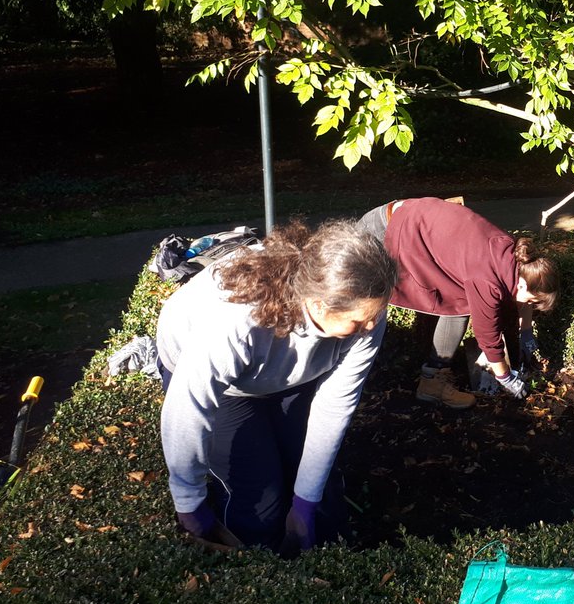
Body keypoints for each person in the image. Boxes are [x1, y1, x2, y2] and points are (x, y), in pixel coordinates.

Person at [157, 219, 397, 555]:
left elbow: (335, 406)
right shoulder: (236, 320)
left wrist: (305, 504)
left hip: (287, 374)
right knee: (259, 505)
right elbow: (188, 411)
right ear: (319, 303)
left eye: (375, 315)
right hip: (221, 385)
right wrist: (189, 503)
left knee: (323, 506)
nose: (370, 327)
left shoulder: (366, 314)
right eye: (359, 321)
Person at [358, 197, 560, 409]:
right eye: (531, 300)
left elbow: (521, 299)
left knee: (459, 301)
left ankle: (431, 378)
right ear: (521, 286)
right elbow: (488, 339)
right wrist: (506, 378)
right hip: (382, 234)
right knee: (362, 311)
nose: (528, 304)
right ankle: (418, 383)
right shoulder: (487, 280)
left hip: (405, 221)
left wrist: (526, 332)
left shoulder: (514, 255)